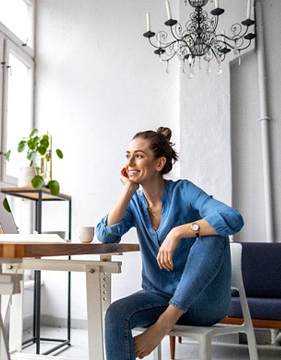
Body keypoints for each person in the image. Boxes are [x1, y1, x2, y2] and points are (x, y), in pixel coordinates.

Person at [95, 127, 244, 360]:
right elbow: (105, 235)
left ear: (159, 164)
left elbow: (233, 218)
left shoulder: (183, 191)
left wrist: (179, 232)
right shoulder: (134, 203)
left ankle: (163, 325)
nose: (130, 162)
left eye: (139, 155)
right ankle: (165, 319)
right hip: (158, 297)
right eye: (128, 155)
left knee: (214, 235)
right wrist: (128, 190)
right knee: (116, 314)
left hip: (202, 303)